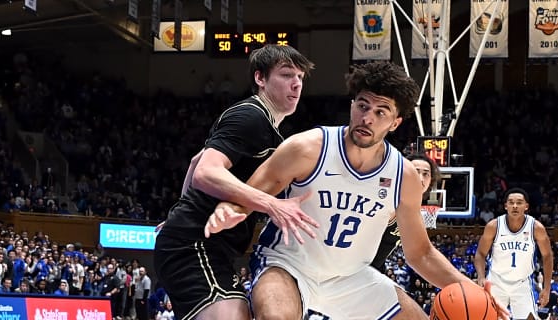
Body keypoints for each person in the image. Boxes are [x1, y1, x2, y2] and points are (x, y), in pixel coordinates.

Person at [204, 61, 509, 319]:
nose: (367, 118)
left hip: (352, 278)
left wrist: (471, 289)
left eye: (381, 112)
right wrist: (227, 209)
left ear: (395, 123)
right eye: (363, 106)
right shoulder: (307, 148)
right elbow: (247, 195)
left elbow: (420, 253)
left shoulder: (404, 175)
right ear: (352, 105)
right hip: (289, 266)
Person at [153, 44, 315, 320]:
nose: (296, 84)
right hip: (194, 246)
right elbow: (205, 171)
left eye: (300, 77)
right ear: (260, 78)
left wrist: (176, 213)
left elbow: (195, 161)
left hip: (206, 247)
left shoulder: (269, 128)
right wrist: (271, 203)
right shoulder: (250, 115)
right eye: (287, 74)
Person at [475, 187, 554, 320]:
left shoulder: (536, 228)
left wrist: (547, 288)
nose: (515, 206)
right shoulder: (493, 226)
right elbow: (480, 254)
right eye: (511, 202)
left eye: (519, 202)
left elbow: (547, 256)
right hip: (496, 281)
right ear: (505, 206)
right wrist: (481, 277)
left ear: (526, 206)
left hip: (522, 283)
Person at [370, 152, 441, 273]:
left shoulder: (414, 212)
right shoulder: (388, 195)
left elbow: (424, 253)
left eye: (425, 174)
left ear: (431, 180)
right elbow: (375, 181)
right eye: (415, 172)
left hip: (373, 270)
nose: (420, 178)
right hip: (351, 268)